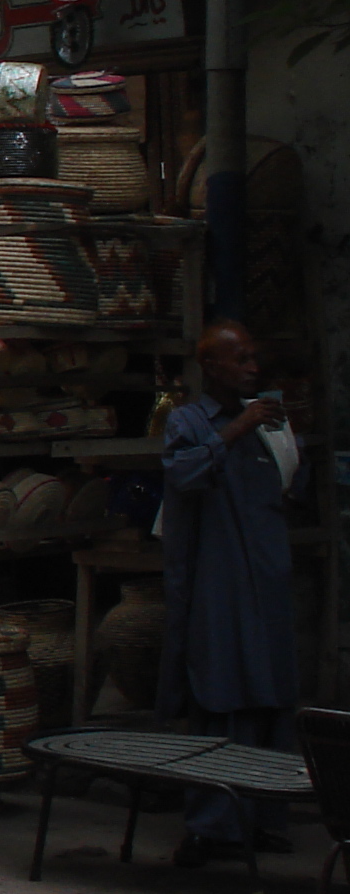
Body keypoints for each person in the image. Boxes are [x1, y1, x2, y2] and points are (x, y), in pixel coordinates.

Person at [157, 320, 302, 864]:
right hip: (218, 587)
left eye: (253, 359)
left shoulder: (270, 423)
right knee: (220, 695)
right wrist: (237, 428)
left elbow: (293, 489)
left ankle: (265, 817)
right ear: (212, 367)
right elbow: (184, 473)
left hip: (267, 581)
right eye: (240, 360)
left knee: (271, 696)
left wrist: (285, 439)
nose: (252, 368)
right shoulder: (189, 421)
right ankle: (214, 826)